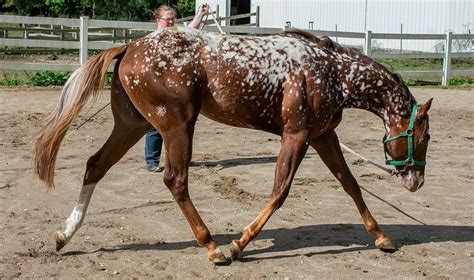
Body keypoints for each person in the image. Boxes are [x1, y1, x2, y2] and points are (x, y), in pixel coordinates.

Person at [145, 4, 209, 173]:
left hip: (174, 88)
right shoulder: (153, 39)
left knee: (178, 124)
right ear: (158, 20)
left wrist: (200, 14)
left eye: (173, 18)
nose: (172, 21)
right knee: (155, 125)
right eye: (168, 19)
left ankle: (174, 159)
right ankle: (152, 161)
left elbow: (190, 29)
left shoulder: (173, 34)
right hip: (157, 86)